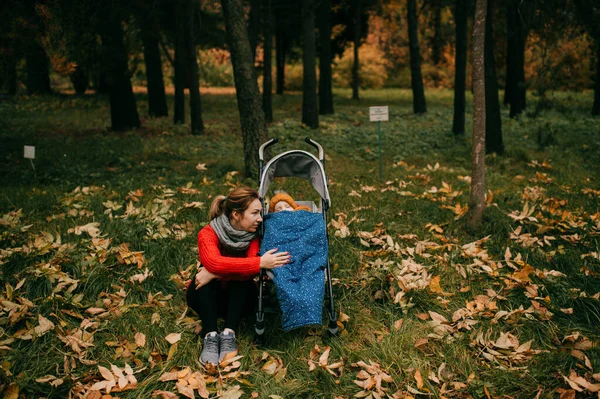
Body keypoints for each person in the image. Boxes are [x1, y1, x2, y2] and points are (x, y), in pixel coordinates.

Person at [186, 187, 290, 366]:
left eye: (260, 213)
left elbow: (243, 270)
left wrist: (214, 273)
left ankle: (228, 334)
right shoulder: (208, 233)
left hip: (240, 302)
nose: (260, 218)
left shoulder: (255, 236)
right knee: (203, 280)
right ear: (236, 214)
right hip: (207, 300)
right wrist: (259, 263)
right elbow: (213, 262)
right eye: (255, 213)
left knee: (237, 280)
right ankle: (210, 336)